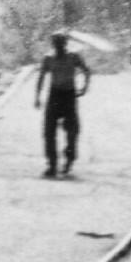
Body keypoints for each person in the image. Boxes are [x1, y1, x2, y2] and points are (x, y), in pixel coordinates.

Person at [35, 30, 89, 177]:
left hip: (69, 95)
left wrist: (84, 87)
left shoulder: (73, 57)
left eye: (61, 43)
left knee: (72, 131)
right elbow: (41, 76)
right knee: (49, 131)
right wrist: (37, 96)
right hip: (54, 95)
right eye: (56, 43)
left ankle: (69, 161)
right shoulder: (48, 58)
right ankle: (52, 164)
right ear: (53, 44)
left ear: (65, 44)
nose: (59, 46)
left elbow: (86, 70)